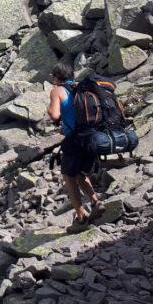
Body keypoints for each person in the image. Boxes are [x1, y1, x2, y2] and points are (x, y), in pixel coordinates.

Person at [46, 61, 101, 228]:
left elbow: (55, 115)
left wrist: (51, 110)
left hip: (75, 139)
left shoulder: (57, 91)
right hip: (93, 137)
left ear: (56, 77)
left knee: (68, 176)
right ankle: (96, 202)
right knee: (79, 173)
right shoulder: (82, 88)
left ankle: (81, 217)